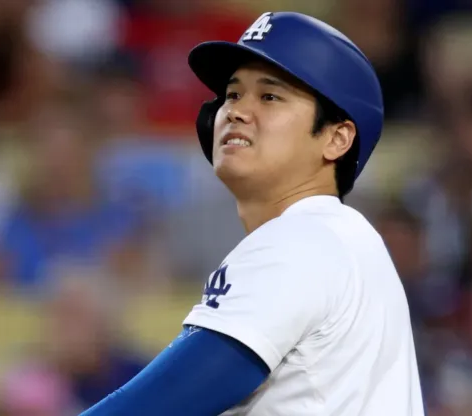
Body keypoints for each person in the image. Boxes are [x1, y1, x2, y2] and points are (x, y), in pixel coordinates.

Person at [81, 11, 424, 416]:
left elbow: (157, 405)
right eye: (232, 94)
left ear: (336, 138)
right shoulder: (340, 240)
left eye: (270, 96)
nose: (237, 111)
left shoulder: (304, 241)